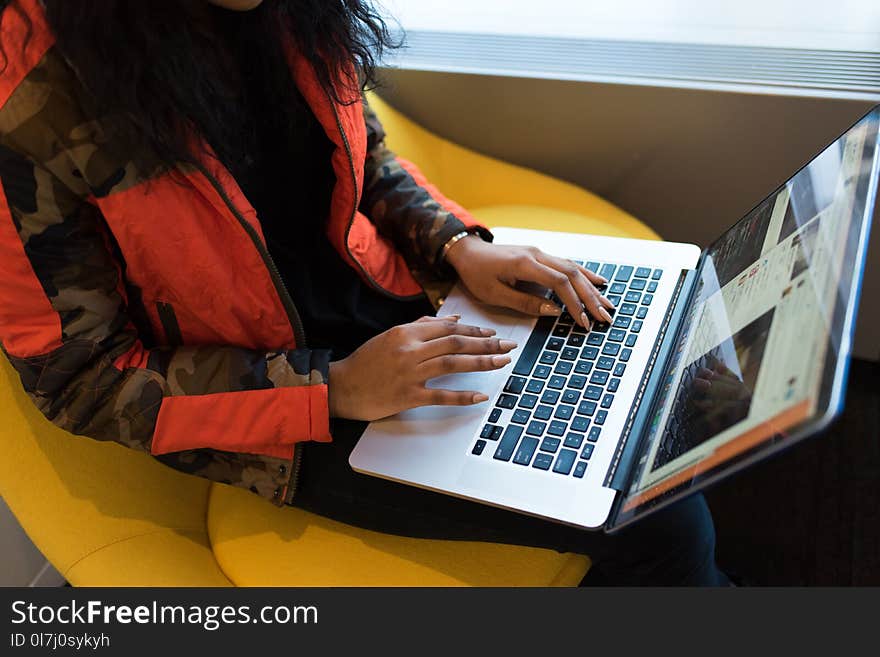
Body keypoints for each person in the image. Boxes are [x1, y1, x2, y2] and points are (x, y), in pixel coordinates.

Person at [0, 0, 729, 585]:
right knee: (656, 513)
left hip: (391, 301)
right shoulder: (28, 98)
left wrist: (458, 247)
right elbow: (80, 378)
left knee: (668, 374)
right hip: (275, 407)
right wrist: (335, 386)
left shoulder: (297, 15)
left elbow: (364, 159)